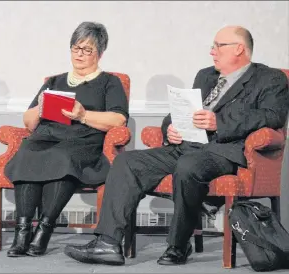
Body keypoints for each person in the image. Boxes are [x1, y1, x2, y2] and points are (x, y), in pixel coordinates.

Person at [64, 25, 289, 266]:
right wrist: (169, 129)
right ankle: (107, 243)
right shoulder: (205, 76)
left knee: (188, 166)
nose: (212, 52)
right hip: (185, 147)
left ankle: (179, 245)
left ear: (239, 49)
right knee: (127, 161)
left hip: (223, 151)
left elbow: (272, 116)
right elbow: (180, 110)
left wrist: (219, 122)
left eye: (217, 46)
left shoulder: (269, 78)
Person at [3, 21, 129, 258]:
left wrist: (83, 115)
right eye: (76, 48)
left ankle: (44, 230)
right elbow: (29, 122)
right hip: (46, 137)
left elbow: (118, 119)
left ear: (100, 53)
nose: (79, 54)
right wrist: (40, 109)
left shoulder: (110, 82)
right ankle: (22, 233)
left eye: (87, 49)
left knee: (62, 157)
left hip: (82, 140)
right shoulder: (54, 82)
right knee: (28, 152)